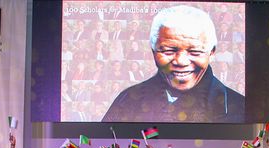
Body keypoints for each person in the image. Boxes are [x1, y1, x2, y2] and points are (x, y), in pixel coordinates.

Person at [102, 5, 245, 123]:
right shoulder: (128, 100)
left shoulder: (239, 107)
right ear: (153, 51)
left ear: (211, 52)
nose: (181, 61)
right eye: (169, 51)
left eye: (194, 51)